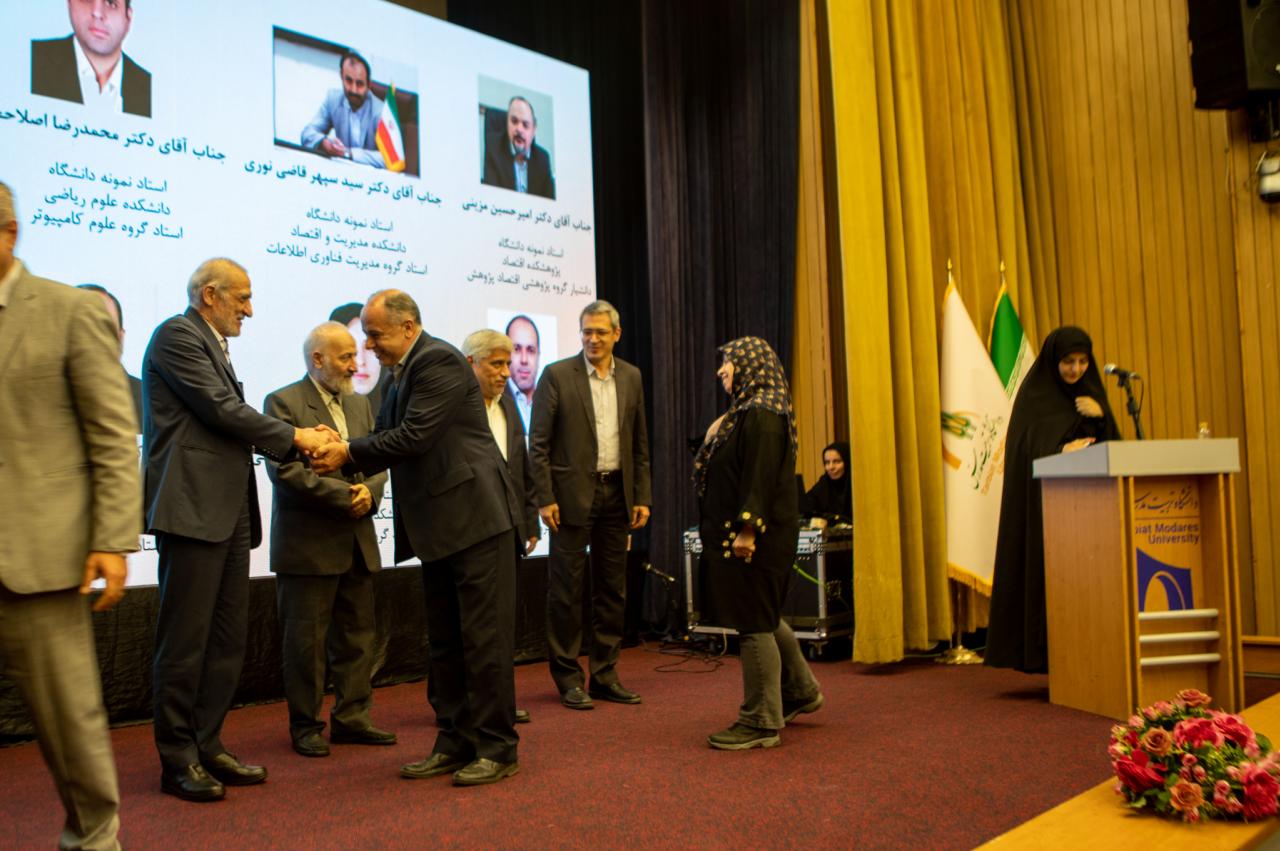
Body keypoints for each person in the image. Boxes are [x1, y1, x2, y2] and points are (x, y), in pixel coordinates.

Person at [311, 290, 523, 786]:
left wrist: (346, 452)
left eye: (375, 334)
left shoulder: (438, 361)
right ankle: (454, 741)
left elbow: (412, 437)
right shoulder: (400, 372)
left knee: (484, 642)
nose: (368, 345)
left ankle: (497, 747)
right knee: (446, 643)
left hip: (477, 523)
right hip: (442, 528)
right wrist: (339, 444)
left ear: (408, 328)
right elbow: (383, 434)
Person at [143, 258, 335, 802]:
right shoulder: (177, 336)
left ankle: (208, 745)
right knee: (185, 643)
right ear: (210, 294)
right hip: (192, 511)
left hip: (225, 513)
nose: (250, 310)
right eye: (242, 298)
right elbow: (222, 410)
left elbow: (228, 415)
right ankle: (177, 760)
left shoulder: (213, 344)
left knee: (226, 641)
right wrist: (297, 437)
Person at [0, 180, 140, 850]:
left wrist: (112, 537)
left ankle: (93, 839)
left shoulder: (69, 310)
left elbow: (112, 435)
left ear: (8, 233)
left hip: (36, 555)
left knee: (67, 724)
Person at [263, 322, 394, 758]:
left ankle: (353, 719)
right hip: (308, 548)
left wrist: (369, 493)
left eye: (355, 356)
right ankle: (306, 726)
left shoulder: (360, 404)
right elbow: (285, 472)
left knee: (357, 639)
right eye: (346, 357)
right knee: (305, 646)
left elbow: (377, 458)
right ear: (317, 359)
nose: (356, 365)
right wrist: (346, 497)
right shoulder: (282, 402)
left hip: (357, 542)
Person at [693, 336, 823, 750]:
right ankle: (800, 690)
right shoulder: (746, 412)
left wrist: (748, 530)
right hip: (750, 535)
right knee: (764, 615)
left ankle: (760, 720)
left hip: (757, 538)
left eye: (728, 362)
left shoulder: (763, 414)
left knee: (753, 622)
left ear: (750, 365)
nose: (721, 370)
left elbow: (759, 478)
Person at [529, 300, 651, 710]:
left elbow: (639, 444)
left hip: (618, 494)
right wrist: (544, 497)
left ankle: (604, 675)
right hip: (568, 499)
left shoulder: (631, 376)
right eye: (587, 331)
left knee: (612, 590)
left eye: (600, 332)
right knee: (566, 591)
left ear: (617, 334)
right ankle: (568, 678)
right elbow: (538, 443)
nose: (593, 339)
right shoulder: (557, 375)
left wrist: (642, 496)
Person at [985, 326, 1120, 675]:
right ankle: (1047, 656)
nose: (1076, 369)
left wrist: (1102, 417)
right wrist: (1060, 449)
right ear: (1054, 361)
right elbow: (1024, 448)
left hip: (1093, 512)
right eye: (1068, 362)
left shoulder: (1091, 393)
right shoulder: (1035, 396)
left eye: (1083, 362)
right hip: (1047, 511)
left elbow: (1116, 451)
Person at [463, 329, 542, 724]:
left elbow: (521, 466)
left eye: (507, 364)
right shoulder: (457, 409)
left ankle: (498, 703)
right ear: (471, 364)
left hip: (508, 528)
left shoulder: (508, 403)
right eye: (496, 364)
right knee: (470, 626)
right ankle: (462, 705)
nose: (506, 372)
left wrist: (530, 520)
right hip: (470, 531)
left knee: (501, 624)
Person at [31, 0, 152, 117]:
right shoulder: (32, 60)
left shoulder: (150, 89)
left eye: (111, 3)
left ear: (128, 18)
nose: (97, 12)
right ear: (69, 3)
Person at [301, 51, 386, 169]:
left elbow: (391, 161)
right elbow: (307, 133)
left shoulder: (381, 112)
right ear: (341, 76)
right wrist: (323, 142)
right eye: (349, 81)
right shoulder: (333, 99)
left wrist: (348, 154)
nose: (353, 90)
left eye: (360, 84)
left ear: (369, 85)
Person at [78, 283, 143, 427]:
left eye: (105, 327)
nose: (95, 338)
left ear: (121, 337)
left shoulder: (152, 401)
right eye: (83, 328)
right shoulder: (43, 401)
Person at [482, 96, 555, 199]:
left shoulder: (543, 159)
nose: (519, 129)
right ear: (507, 123)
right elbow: (491, 197)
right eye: (514, 121)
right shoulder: (493, 147)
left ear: (533, 130)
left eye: (525, 125)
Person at [330, 302, 387, 409]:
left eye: (369, 346)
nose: (360, 361)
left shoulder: (407, 405)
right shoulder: (304, 409)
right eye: (350, 348)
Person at [800, 441, 852, 529]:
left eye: (837, 461)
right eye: (827, 462)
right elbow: (805, 507)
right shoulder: (824, 484)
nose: (831, 467)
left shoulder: (855, 486)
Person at [504, 314, 540, 431]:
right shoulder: (495, 400)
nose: (524, 360)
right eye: (516, 349)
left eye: (531, 350)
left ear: (538, 355)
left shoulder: (550, 399)